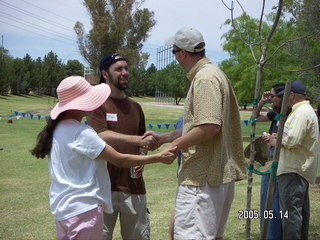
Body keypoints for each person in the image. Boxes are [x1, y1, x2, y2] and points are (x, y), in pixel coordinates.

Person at [30, 76, 176, 240]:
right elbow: (120, 159)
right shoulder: (82, 133)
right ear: (79, 105)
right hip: (84, 210)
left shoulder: (58, 129)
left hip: (63, 210)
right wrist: (158, 157)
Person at [145, 27, 247, 239]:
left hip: (202, 180)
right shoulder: (215, 74)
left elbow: (209, 127)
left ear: (182, 53)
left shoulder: (204, 79)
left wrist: (173, 147)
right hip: (214, 179)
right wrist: (163, 138)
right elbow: (198, 125)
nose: (174, 57)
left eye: (174, 52)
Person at [86, 54, 159, 240]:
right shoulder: (96, 105)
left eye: (126, 68)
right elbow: (101, 136)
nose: (125, 73)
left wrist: (142, 156)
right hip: (102, 189)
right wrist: (138, 141)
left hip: (134, 188)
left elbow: (143, 139)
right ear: (105, 74)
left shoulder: (136, 107)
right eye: (118, 69)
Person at [268, 81, 319, 240]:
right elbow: (292, 137)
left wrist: (275, 141)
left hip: (292, 170)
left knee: (290, 217)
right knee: (298, 215)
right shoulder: (303, 111)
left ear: (292, 95)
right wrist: (279, 136)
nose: (284, 100)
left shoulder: (301, 112)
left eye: (285, 96)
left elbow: (293, 141)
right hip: (297, 170)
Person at [256, 83, 286, 240]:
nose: (271, 99)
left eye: (273, 96)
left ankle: (274, 234)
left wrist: (274, 137)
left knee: (276, 199)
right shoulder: (275, 113)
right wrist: (262, 102)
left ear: (282, 97)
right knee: (265, 196)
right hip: (270, 155)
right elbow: (254, 118)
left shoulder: (290, 114)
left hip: (281, 159)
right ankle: (266, 233)